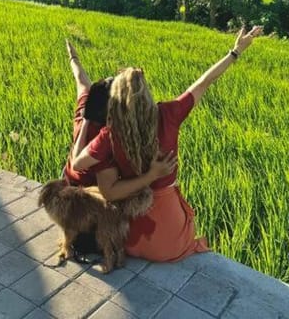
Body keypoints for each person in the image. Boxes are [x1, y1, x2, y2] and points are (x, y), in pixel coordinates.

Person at [72, 25, 263, 262]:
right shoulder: (168, 114)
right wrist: (235, 52)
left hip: (129, 235)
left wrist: (86, 123)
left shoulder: (110, 133)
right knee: (191, 235)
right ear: (147, 95)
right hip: (169, 236)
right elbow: (204, 82)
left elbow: (82, 167)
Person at [63, 41, 175, 188]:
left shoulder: (85, 109)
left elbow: (81, 79)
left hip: (67, 179)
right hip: (89, 196)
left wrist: (73, 57)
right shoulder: (109, 140)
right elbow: (111, 187)